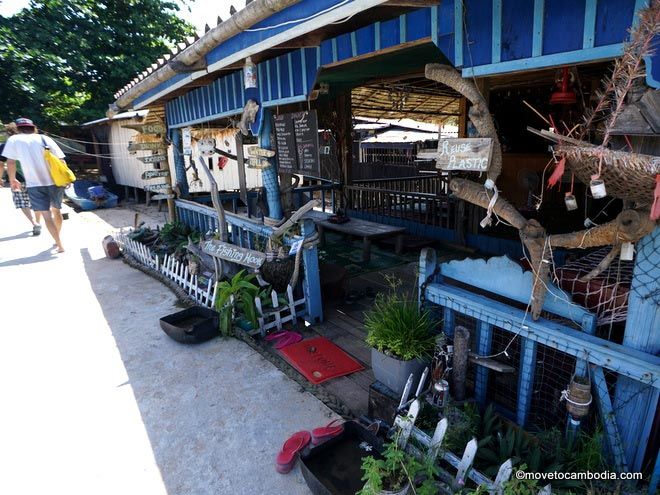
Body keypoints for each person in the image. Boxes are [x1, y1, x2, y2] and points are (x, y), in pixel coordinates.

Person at [3, 117, 66, 252]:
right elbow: (61, 159)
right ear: (33, 127)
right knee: (57, 210)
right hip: (55, 181)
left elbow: (11, 162)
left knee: (46, 214)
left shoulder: (13, 140)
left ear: (18, 128)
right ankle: (58, 239)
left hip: (34, 184)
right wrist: (65, 178)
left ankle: (59, 244)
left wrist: (13, 179)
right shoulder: (45, 139)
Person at [0, 122, 42, 235]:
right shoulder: (33, 142)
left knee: (22, 202)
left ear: (8, 133)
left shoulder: (6, 145)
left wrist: (0, 178)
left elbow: (1, 164)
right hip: (35, 177)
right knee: (37, 201)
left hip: (17, 179)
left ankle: (34, 223)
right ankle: (38, 220)